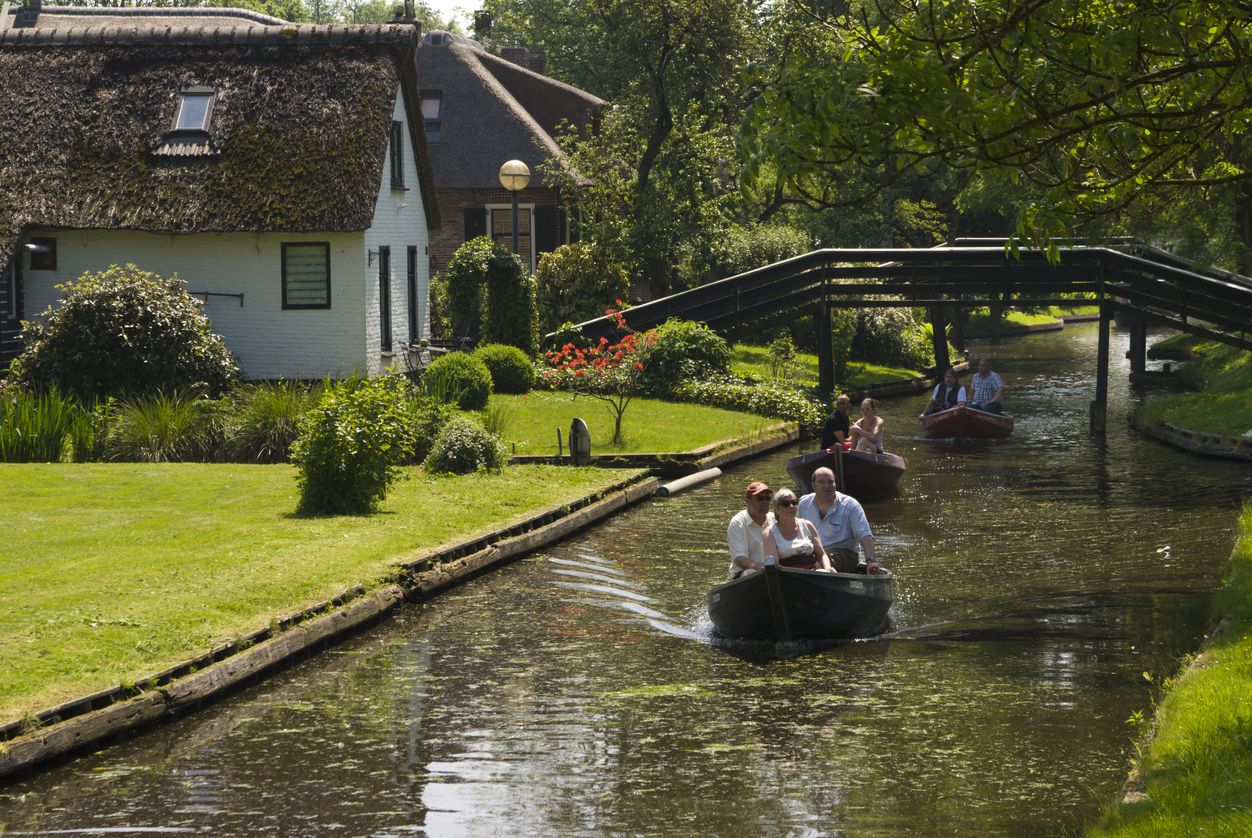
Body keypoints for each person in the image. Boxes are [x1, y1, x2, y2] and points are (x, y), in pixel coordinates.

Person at [797, 467, 881, 574]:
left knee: (817, 563)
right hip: (814, 553)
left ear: (835, 484)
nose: (826, 486)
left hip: (844, 554)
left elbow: (864, 534)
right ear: (813, 485)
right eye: (821, 482)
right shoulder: (803, 504)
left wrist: (870, 560)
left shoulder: (851, 505)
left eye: (830, 482)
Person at [762, 488, 832, 572]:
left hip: (813, 573)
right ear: (776, 509)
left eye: (794, 502)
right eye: (785, 504)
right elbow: (775, 567)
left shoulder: (808, 525)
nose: (791, 506)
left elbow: (821, 554)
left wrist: (828, 568)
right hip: (787, 576)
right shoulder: (769, 534)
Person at [727, 481, 773, 578]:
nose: (765, 502)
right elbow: (740, 559)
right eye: (760, 498)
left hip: (773, 572)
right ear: (747, 500)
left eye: (767, 498)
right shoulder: (738, 523)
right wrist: (764, 571)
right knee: (749, 573)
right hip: (746, 574)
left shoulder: (775, 519)